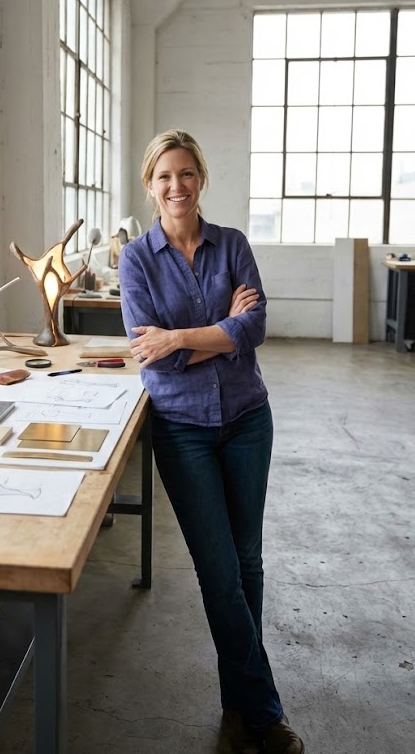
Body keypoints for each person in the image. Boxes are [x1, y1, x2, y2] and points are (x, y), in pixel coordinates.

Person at [118, 129, 305, 754]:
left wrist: (179, 337)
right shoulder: (137, 260)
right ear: (150, 186)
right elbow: (155, 361)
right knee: (219, 570)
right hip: (183, 430)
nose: (177, 186)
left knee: (246, 562)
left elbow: (254, 328)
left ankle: (237, 698)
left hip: (249, 419)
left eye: (187, 173)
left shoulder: (234, 246)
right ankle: (266, 711)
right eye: (165, 176)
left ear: (202, 179)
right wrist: (211, 334)